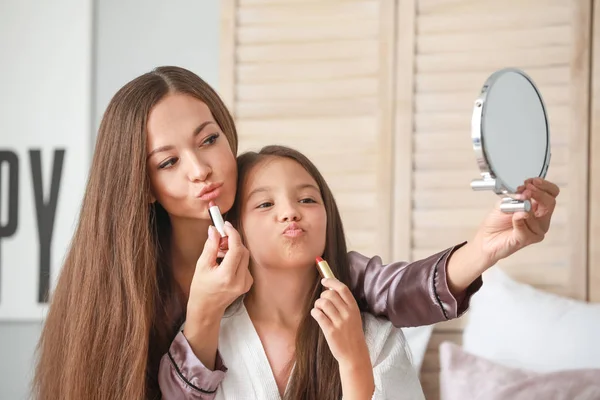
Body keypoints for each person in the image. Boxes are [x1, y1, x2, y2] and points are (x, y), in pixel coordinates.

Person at [32, 66, 559, 400]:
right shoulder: (127, 292)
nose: (201, 169)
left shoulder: (308, 264)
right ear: (141, 184)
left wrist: (487, 247)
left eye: (210, 139)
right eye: (168, 161)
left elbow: (389, 287)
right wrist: (204, 314)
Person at [201, 145, 428, 399]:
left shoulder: (376, 339)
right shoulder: (208, 338)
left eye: (307, 200)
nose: (290, 213)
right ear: (231, 229)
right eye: (265, 204)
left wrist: (353, 361)